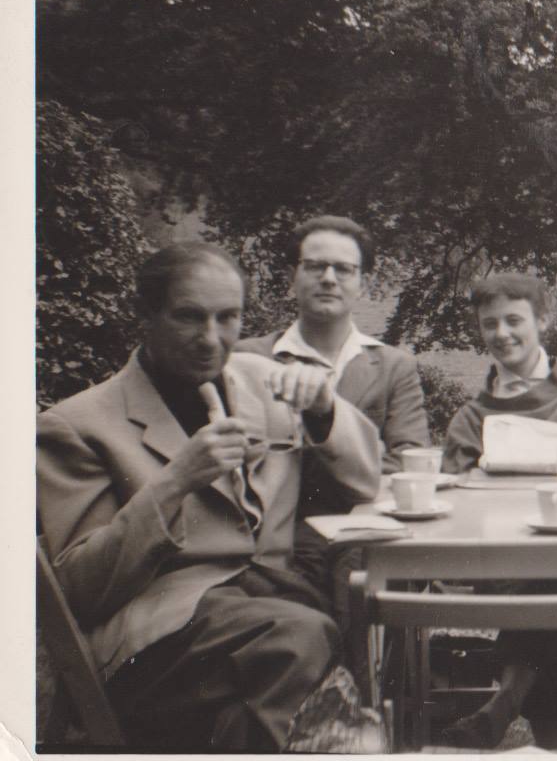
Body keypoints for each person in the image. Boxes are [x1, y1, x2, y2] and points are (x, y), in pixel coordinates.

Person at [37, 243, 382, 751]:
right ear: (146, 317)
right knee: (300, 637)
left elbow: (367, 479)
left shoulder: (267, 381)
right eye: (189, 317)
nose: (211, 339)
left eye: (228, 317)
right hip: (158, 643)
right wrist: (176, 481)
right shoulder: (78, 425)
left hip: (267, 610)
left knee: (356, 619)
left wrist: (327, 408)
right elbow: (80, 590)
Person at [439, 273, 557, 749]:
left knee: (550, 569)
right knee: (541, 580)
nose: (502, 333)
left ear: (543, 320)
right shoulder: (472, 415)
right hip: (496, 564)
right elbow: (453, 499)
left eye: (513, 320)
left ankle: (503, 705)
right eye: (490, 324)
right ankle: (547, 742)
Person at [236, 214, 429, 476]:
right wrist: (369, 454)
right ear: (292, 277)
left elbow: (411, 466)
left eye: (343, 269)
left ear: (363, 284)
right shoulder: (249, 358)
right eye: (315, 266)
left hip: (365, 516)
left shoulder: (394, 368)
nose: (328, 278)